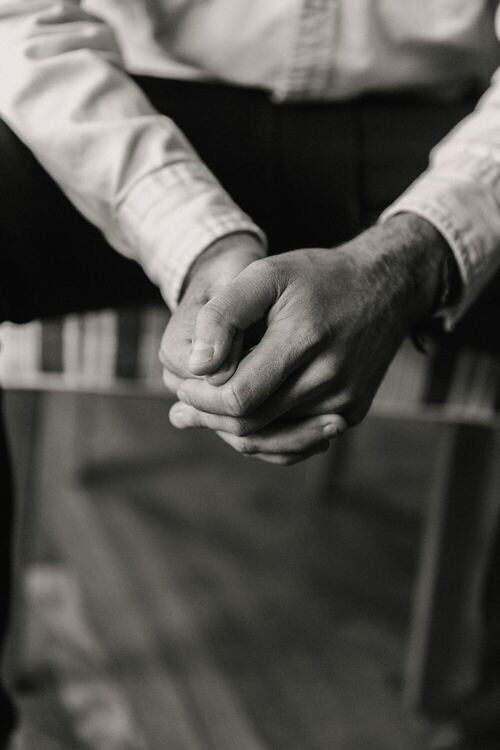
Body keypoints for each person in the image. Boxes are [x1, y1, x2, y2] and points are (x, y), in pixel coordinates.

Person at [1, 2, 500, 746]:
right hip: (143, 111)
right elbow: (21, 20)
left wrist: (416, 253)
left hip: (445, 131)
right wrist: (200, 244)